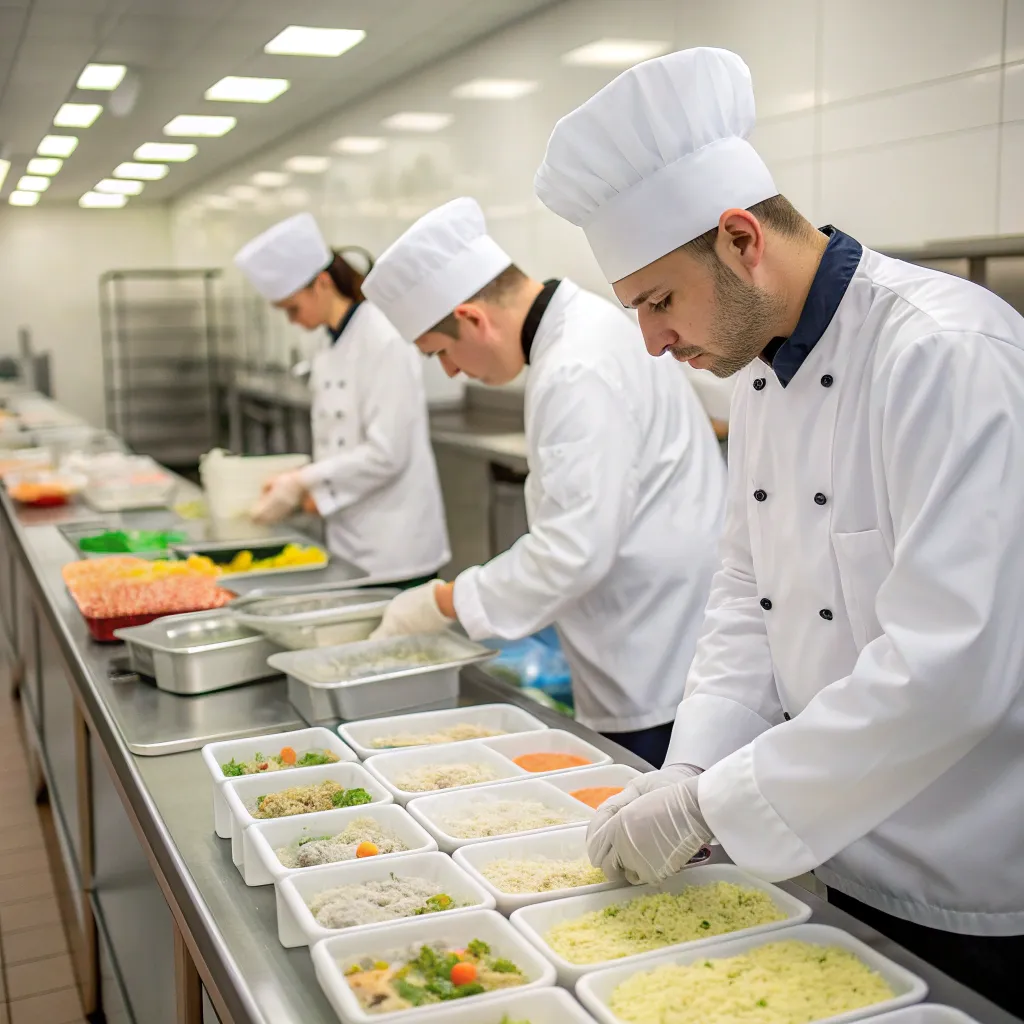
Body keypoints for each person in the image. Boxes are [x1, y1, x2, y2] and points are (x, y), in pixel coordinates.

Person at [534, 45, 1024, 1014]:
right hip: (831, 853)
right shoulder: (759, 366)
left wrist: (713, 805)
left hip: (971, 880)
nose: (652, 341)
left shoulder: (942, 353)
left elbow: (951, 665)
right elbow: (745, 604)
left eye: (658, 301)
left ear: (739, 237)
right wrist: (687, 770)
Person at [361, 197, 726, 766]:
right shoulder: (584, 324)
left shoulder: (574, 367)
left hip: (652, 651)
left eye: (441, 353)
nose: (452, 372)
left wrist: (442, 601)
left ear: (473, 318)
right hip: (657, 628)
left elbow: (571, 551)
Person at [233, 213, 450, 582]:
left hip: (395, 543)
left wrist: (303, 481)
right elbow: (341, 441)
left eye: (292, 308)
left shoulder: (383, 337)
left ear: (321, 283)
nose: (292, 321)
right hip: (348, 534)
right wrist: (311, 490)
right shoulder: (329, 341)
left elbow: (387, 452)